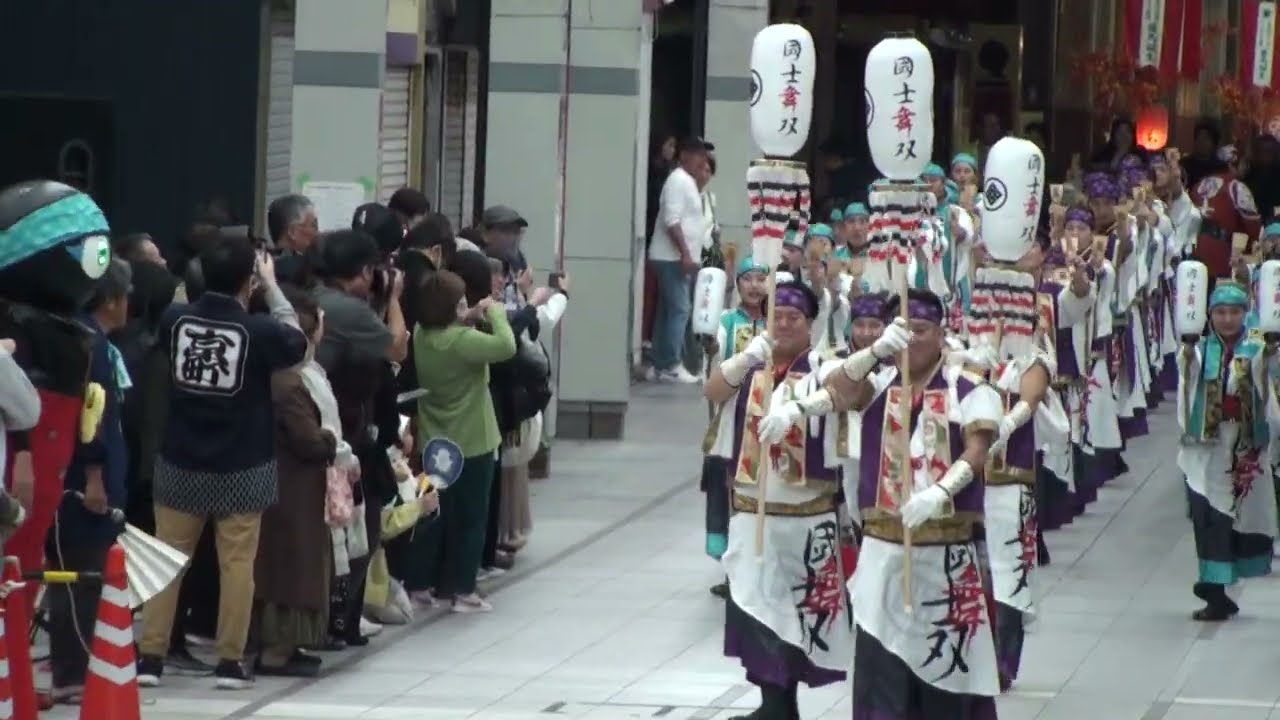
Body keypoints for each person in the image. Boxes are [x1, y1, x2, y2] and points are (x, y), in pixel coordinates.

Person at [137, 233, 309, 689]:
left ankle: (150, 656)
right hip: (241, 463)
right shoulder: (259, 331)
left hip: (180, 459)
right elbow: (298, 343)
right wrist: (272, 288)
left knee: (167, 559)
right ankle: (229, 661)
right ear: (249, 281)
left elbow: (179, 304)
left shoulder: (174, 320)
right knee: (237, 564)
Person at [840, 290, 1004, 719]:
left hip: (944, 554)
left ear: (941, 333)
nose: (912, 339)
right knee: (882, 669)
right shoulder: (877, 385)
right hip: (883, 553)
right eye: (904, 330)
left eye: (921, 329)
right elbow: (838, 391)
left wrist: (941, 492)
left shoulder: (968, 388)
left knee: (944, 671)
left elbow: (977, 449)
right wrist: (875, 351)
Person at [706, 280, 854, 720]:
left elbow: (849, 391)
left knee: (802, 616)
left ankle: (783, 705)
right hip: (752, 514)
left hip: (806, 519)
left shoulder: (824, 367)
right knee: (757, 612)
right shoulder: (750, 367)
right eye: (777, 317)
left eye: (794, 317)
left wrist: (801, 408)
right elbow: (713, 391)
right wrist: (744, 359)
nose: (785, 325)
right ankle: (774, 705)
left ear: (810, 324)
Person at [310, 228, 406, 646]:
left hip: (319, 429)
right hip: (344, 437)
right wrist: (395, 298)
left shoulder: (314, 297)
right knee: (356, 530)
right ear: (365, 271)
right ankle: (339, 619)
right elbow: (397, 347)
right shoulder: (347, 310)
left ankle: (330, 619)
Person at [47, 258, 132, 704]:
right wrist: (96, 473)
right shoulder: (89, 344)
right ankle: (73, 671)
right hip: (85, 477)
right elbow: (91, 413)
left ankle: (75, 666)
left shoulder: (87, 338)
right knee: (80, 574)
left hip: (85, 470)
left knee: (79, 573)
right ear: (112, 300)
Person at [413, 271, 516, 612]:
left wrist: (467, 316)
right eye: (460, 304)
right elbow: (506, 346)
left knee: (431, 514)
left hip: (434, 441)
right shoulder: (464, 341)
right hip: (473, 441)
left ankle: (419, 584)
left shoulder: (421, 334)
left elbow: (448, 328)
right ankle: (463, 590)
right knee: (471, 518)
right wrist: (495, 312)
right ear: (450, 309)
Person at [256, 287, 347, 677]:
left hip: (279, 483)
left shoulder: (272, 377)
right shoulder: (290, 384)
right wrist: (330, 440)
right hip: (294, 488)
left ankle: (283, 647)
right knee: (292, 569)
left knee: (282, 566)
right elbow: (309, 440)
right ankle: (277, 650)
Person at [1177, 282, 1279, 621]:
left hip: (1245, 445)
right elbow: (1188, 377)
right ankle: (1214, 589)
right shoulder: (1200, 348)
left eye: (1234, 312)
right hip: (1209, 446)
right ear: (1209, 316)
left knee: (1245, 514)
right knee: (1209, 515)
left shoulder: (1257, 348)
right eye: (1220, 312)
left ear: (1245, 314)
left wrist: (1272, 352)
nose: (1227, 319)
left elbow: (1270, 376)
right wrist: (1188, 354)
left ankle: (1220, 584)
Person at [699, 257, 768, 599]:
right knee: (730, 493)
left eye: (760, 278)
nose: (754, 285)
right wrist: (711, 347)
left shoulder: (777, 321)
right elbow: (715, 355)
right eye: (748, 279)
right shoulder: (726, 320)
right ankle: (733, 570)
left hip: (768, 419)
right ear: (737, 284)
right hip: (733, 418)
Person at [648, 137, 711, 383]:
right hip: (671, 257)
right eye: (698, 155)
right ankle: (671, 364)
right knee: (680, 309)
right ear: (684, 156)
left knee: (668, 311)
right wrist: (685, 253)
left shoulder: (686, 181)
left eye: (704, 156)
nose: (702, 161)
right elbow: (671, 220)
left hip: (674, 257)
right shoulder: (678, 180)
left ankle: (660, 364)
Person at [1190, 146, 1263, 280]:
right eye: (1243, 163)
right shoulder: (1236, 187)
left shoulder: (1198, 184)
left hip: (1194, 249)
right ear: (1232, 164)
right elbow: (1254, 228)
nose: (1245, 167)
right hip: (1220, 253)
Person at [267, 194, 319, 284]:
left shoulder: (262, 267)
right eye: (314, 225)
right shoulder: (306, 273)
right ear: (293, 232)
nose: (318, 232)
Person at [1182, 120, 1222, 190]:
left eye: (1206, 138)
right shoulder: (1184, 165)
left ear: (1214, 143)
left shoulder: (1221, 168)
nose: (1201, 142)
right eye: (1199, 138)